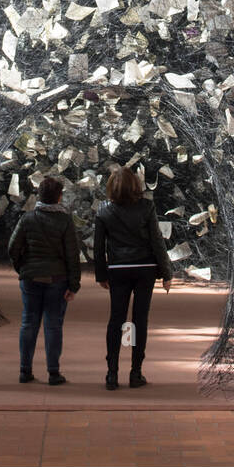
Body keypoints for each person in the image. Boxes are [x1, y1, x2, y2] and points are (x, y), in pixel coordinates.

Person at [93, 166, 173, 390]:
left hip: (118, 268)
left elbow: (98, 248)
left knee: (116, 319)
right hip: (144, 268)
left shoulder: (104, 210)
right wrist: (166, 273)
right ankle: (136, 372)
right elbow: (157, 241)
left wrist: (101, 274)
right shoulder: (146, 207)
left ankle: (111, 373)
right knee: (139, 320)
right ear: (135, 185)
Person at [8, 175, 81, 384]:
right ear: (59, 197)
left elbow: (13, 247)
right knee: (53, 325)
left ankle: (25, 370)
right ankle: (53, 372)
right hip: (57, 279)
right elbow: (72, 255)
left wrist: (22, 267)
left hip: (31, 277)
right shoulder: (65, 221)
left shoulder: (28, 218)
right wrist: (74, 284)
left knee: (28, 323)